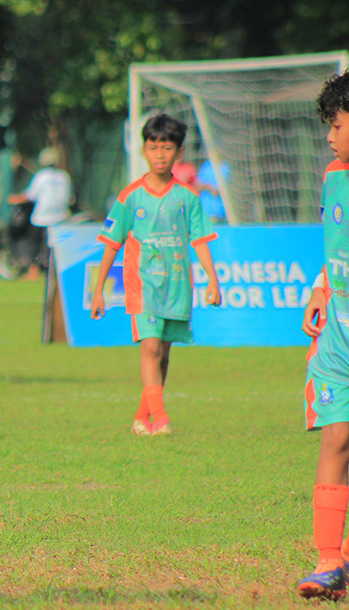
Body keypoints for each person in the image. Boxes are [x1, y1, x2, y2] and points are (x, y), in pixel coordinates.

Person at [89, 114, 221, 436]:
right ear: (143, 151)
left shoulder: (188, 197)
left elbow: (200, 240)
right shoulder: (130, 196)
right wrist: (98, 290)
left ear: (178, 152)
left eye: (166, 148)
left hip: (177, 286)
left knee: (162, 353)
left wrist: (212, 279)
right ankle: (160, 417)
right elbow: (111, 244)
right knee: (149, 348)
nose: (159, 154)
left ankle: (140, 417)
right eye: (153, 148)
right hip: (143, 285)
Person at [296, 70, 349, 600]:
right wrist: (319, 286)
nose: (329, 137)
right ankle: (328, 561)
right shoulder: (334, 176)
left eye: (336, 124)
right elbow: (336, 248)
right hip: (338, 334)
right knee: (336, 435)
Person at [8, 147, 73, 281]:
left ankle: (33, 272)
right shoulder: (64, 177)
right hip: (61, 218)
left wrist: (15, 198)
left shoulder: (41, 176)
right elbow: (69, 198)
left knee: (35, 245)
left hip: (42, 218)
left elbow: (31, 195)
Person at [196, 159, 230, 224]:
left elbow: (220, 190)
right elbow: (197, 186)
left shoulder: (225, 167)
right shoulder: (206, 166)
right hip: (206, 212)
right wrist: (209, 187)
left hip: (221, 212)